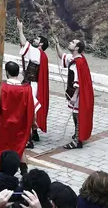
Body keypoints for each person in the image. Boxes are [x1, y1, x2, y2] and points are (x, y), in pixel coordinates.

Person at [55, 38, 95, 149]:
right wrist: (57, 44)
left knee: (78, 115)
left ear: (77, 48)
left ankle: (78, 140)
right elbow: (61, 55)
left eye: (73, 43)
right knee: (75, 114)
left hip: (78, 95)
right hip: (74, 94)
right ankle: (77, 134)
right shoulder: (73, 58)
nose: (70, 43)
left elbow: (79, 81)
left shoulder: (79, 63)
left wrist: (74, 96)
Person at [17, 18, 50, 147]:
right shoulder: (39, 54)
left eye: (37, 39)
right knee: (31, 109)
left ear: (41, 44)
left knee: (28, 109)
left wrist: (20, 29)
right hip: (30, 82)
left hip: (31, 85)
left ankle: (29, 137)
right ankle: (34, 132)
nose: (34, 40)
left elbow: (24, 42)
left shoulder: (37, 52)